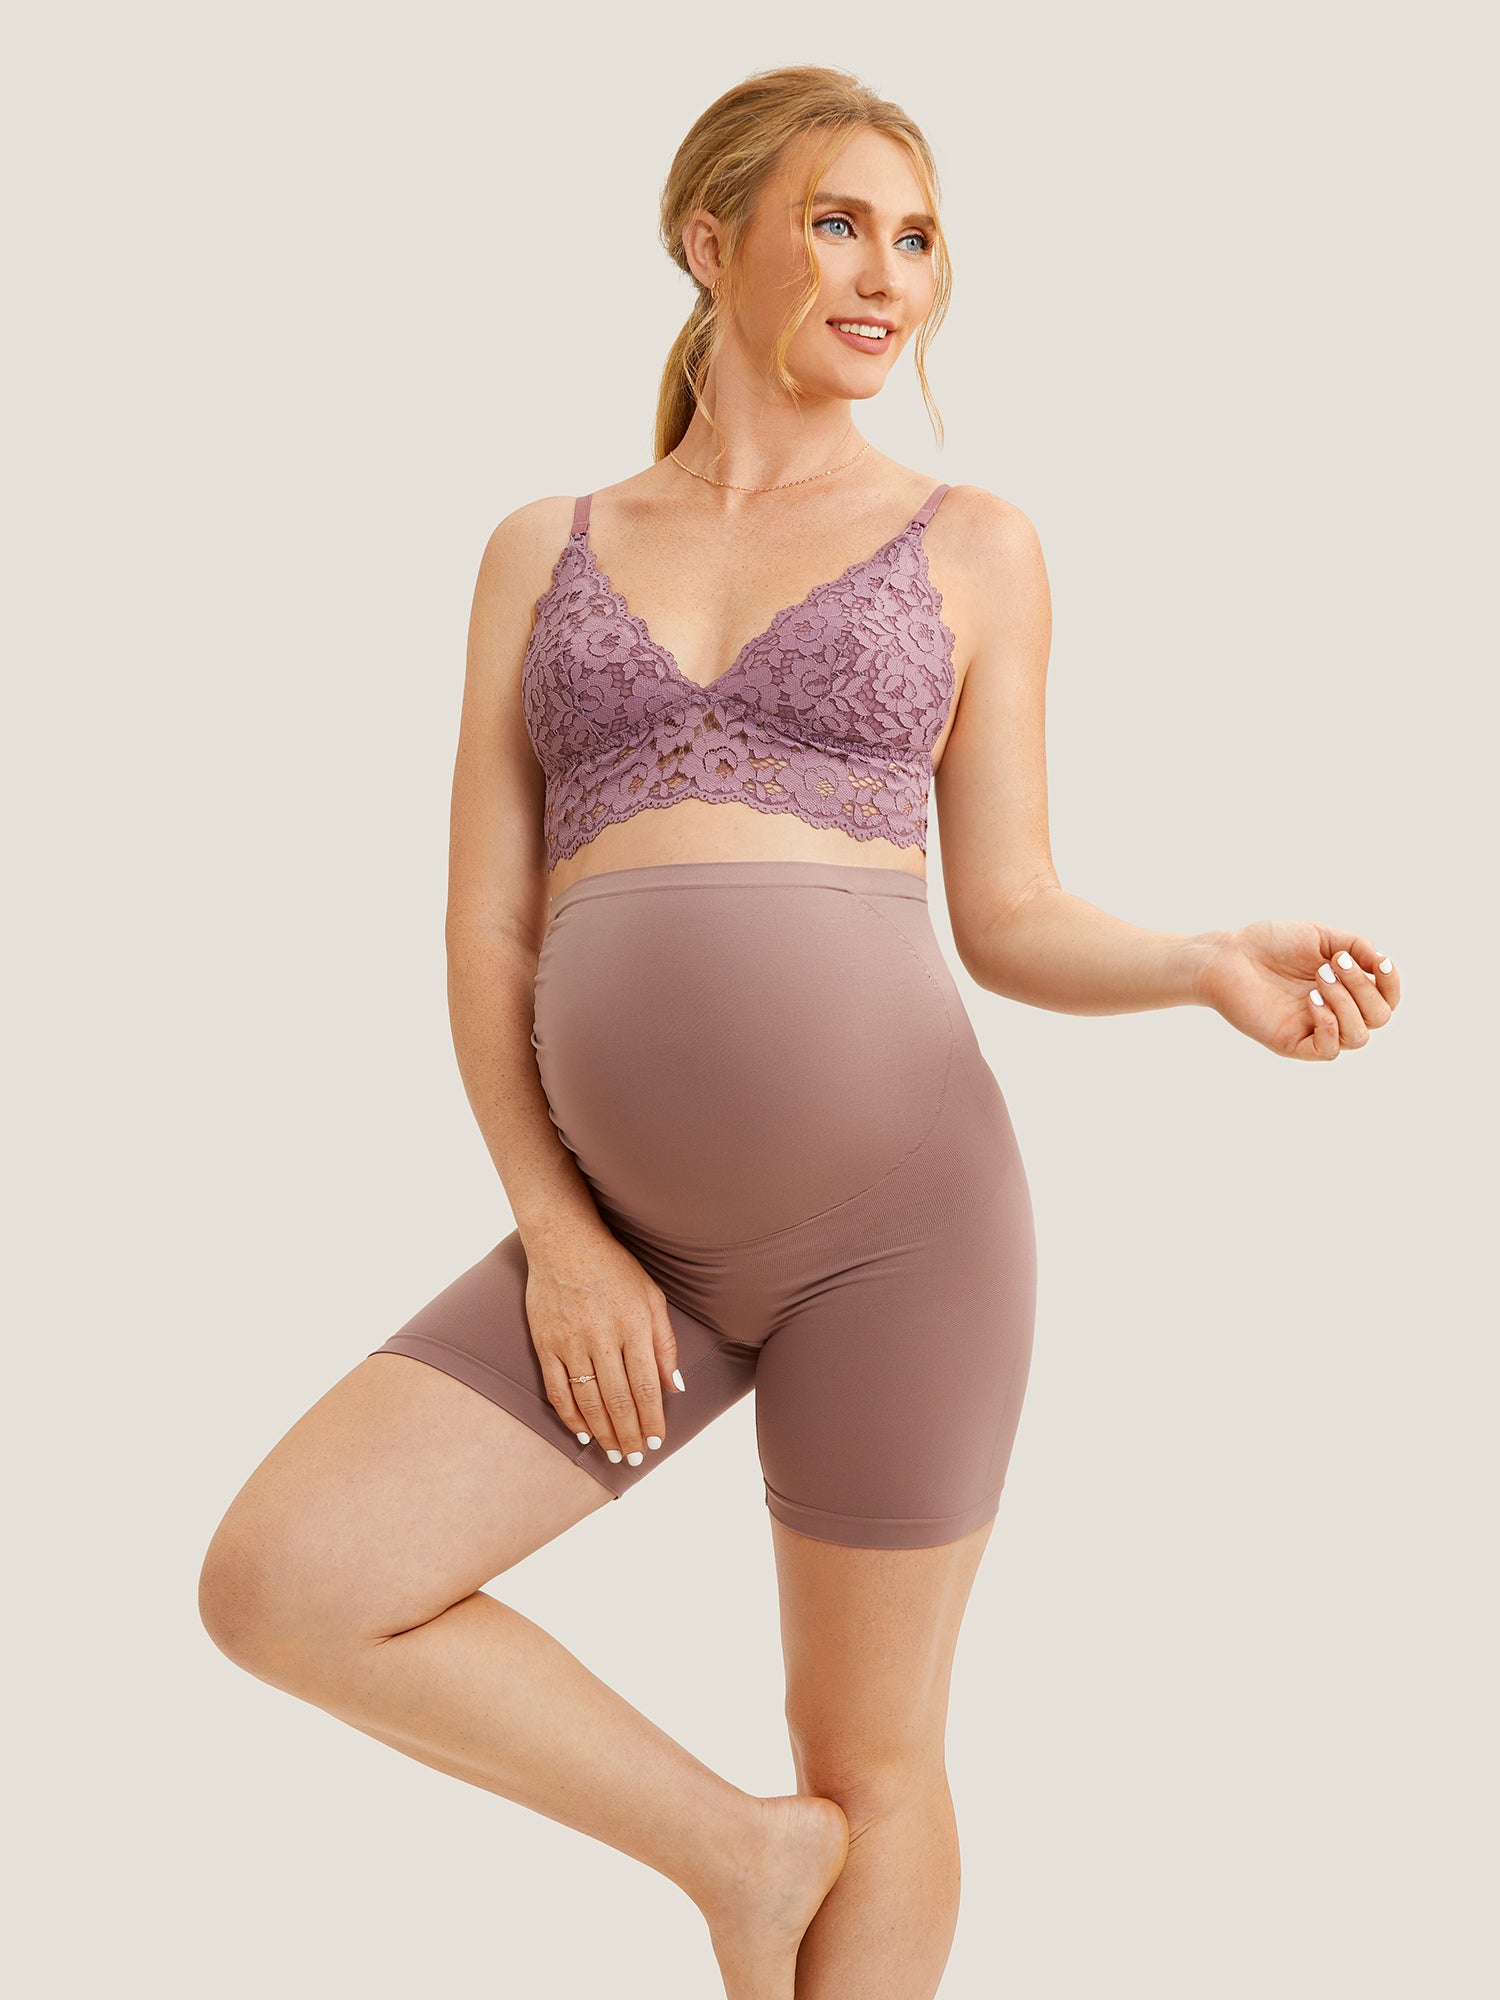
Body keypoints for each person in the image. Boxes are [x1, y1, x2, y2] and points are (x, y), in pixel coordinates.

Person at [197, 64, 1400, 2000]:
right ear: (710, 240)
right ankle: (734, 1853)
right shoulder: (541, 547)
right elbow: (488, 926)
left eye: (916, 239)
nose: (888, 274)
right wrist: (562, 1232)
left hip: (904, 1234)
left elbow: (1007, 910)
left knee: (876, 1757)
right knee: (285, 1581)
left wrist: (1199, 961)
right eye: (839, 223)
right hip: (625, 1244)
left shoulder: (973, 542)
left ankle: (801, 1851)